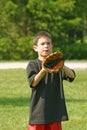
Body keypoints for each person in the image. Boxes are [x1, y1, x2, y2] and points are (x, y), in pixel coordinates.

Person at [26, 31, 76, 130]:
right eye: (42, 44)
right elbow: (33, 82)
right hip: (38, 112)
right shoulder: (33, 64)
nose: (46, 46)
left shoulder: (56, 64)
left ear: (52, 46)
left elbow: (72, 76)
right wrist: (44, 69)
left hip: (55, 111)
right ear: (35, 48)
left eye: (48, 43)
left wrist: (62, 65)